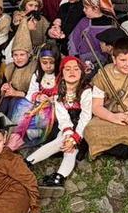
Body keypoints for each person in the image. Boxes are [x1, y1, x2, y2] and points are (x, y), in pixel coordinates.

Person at [27, 55, 91, 191]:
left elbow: (86, 117)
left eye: (76, 69)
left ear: (81, 72)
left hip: (83, 128)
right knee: (61, 140)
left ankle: (59, 176)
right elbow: (63, 117)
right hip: (66, 126)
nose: (72, 72)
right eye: (67, 69)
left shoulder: (86, 91)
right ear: (62, 72)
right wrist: (68, 134)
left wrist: (74, 138)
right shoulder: (59, 92)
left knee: (72, 148)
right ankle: (28, 162)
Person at [68, 0, 117, 71]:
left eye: (86, 8)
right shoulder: (84, 22)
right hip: (83, 62)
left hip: (105, 65)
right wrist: (76, 59)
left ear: (96, 8)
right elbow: (74, 40)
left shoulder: (112, 24)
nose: (83, 10)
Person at [0, 28, 35, 124]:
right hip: (8, 101)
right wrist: (3, 89)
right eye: (15, 55)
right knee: (5, 102)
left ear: (28, 55)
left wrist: (16, 93)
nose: (18, 58)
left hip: (27, 103)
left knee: (15, 102)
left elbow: (36, 92)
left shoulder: (34, 68)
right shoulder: (9, 68)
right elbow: (3, 90)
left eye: (22, 54)